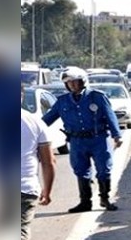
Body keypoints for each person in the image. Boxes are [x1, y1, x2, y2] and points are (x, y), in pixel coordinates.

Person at [43, 67, 122, 213]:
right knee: (80, 171)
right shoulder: (62, 101)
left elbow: (110, 116)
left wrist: (117, 134)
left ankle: (105, 199)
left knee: (104, 169)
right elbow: (46, 120)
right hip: (77, 142)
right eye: (69, 83)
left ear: (83, 81)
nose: (72, 85)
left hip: (99, 139)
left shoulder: (97, 97)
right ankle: (85, 202)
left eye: (75, 82)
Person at [21, 86, 56, 240]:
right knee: (20, 236)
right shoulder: (34, 122)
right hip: (25, 189)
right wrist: (47, 190)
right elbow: (48, 161)